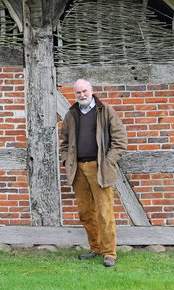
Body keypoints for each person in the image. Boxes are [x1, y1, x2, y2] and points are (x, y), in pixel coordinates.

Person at [61, 79, 127, 267]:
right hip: (78, 170)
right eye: (78, 93)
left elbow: (120, 140)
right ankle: (95, 248)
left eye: (84, 91)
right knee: (86, 212)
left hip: (100, 169)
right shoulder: (71, 114)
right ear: (75, 95)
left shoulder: (106, 111)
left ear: (91, 91)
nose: (82, 95)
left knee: (105, 212)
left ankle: (109, 253)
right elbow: (64, 142)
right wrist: (67, 160)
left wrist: (108, 161)